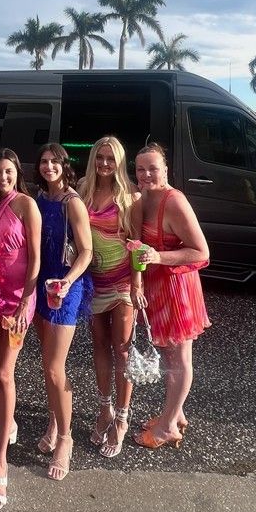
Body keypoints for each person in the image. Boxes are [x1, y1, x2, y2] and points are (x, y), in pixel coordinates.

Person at [132, 143, 211, 449]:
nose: (147, 174)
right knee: (170, 356)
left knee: (178, 359)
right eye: (141, 169)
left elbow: (201, 252)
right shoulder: (145, 198)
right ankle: (174, 414)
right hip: (158, 288)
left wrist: (158, 257)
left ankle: (167, 428)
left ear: (165, 169)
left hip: (177, 289)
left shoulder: (173, 200)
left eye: (153, 168)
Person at [78, 136, 143, 459]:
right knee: (100, 347)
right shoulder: (83, 189)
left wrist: (138, 283)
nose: (104, 163)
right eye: (100, 157)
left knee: (123, 351)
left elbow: (137, 245)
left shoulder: (131, 197)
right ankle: (104, 408)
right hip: (93, 283)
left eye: (110, 158)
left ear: (119, 161)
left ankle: (122, 416)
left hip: (121, 285)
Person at [0, 148, 41, 512]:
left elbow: (36, 257)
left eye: (8, 171)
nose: (2, 177)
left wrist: (24, 302)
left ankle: (0, 462)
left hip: (19, 300)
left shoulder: (25, 205)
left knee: (5, 373)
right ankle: (11, 425)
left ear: (16, 173)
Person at [33, 143, 93, 480]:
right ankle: (55, 421)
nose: (48, 166)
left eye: (54, 161)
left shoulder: (73, 203)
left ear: (64, 165)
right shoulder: (41, 198)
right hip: (43, 285)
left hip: (64, 288)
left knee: (56, 368)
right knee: (47, 365)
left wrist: (67, 282)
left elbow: (86, 251)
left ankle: (66, 440)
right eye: (43, 161)